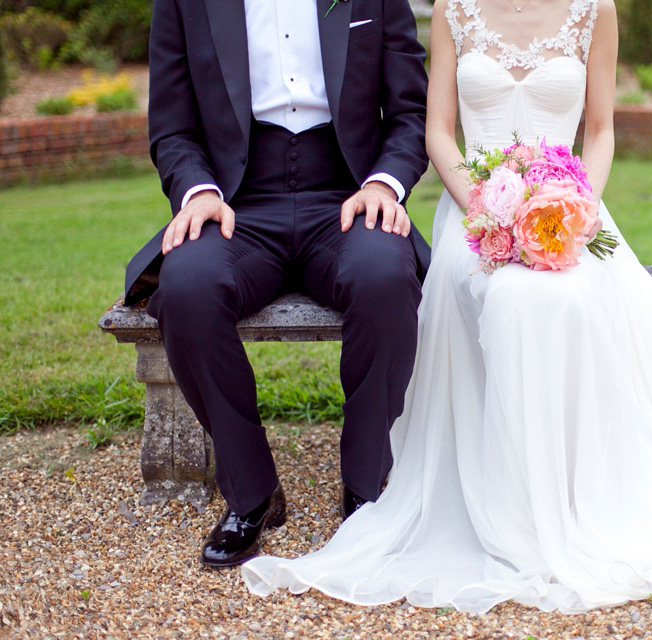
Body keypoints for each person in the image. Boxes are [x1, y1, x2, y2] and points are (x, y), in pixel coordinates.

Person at [241, 0, 652, 613]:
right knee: (515, 297)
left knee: (567, 293)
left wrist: (575, 210)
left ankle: (574, 501)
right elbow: (437, 134)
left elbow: (600, 132)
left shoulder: (593, 9)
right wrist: (490, 213)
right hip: (473, 216)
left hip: (570, 213)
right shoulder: (454, 9)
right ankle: (516, 514)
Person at [123, 0, 430, 567]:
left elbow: (411, 110)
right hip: (237, 203)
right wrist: (198, 191)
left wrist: (385, 185)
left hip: (347, 197)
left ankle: (367, 490)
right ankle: (252, 492)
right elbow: (171, 127)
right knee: (186, 287)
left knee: (386, 276)